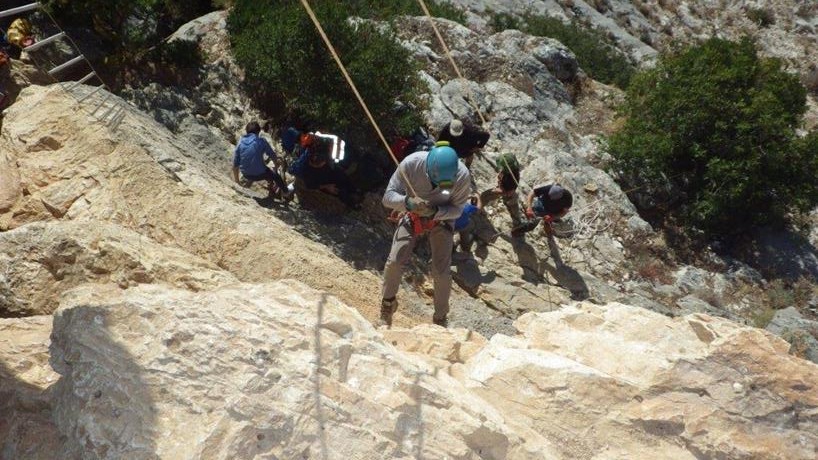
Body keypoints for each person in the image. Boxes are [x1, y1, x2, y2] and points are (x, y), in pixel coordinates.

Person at [380, 141, 471, 328]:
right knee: (395, 260)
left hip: (442, 218)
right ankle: (388, 303)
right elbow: (388, 198)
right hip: (412, 213)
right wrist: (407, 203)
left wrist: (435, 211)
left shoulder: (461, 176)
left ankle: (440, 317)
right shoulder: (411, 164)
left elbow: (457, 210)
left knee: (441, 271)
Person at [232, 121, 292, 200]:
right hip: (260, 174)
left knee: (263, 171)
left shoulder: (240, 142)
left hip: (246, 174)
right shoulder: (261, 141)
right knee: (275, 175)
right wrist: (276, 167)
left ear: (247, 131)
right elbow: (273, 156)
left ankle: (270, 189)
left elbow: (235, 164)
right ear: (258, 132)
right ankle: (286, 193)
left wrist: (237, 181)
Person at [300, 139, 358, 209]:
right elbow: (310, 185)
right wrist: (326, 186)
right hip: (325, 184)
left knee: (340, 174)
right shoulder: (307, 171)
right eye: (323, 163)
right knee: (340, 191)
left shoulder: (319, 154)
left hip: (331, 175)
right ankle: (352, 204)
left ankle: (354, 190)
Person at [480, 152, 523, 227]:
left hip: (506, 191)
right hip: (507, 189)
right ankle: (517, 219)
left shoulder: (510, 179)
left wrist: (497, 191)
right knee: (512, 205)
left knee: (484, 196)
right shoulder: (514, 169)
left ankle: (478, 208)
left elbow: (507, 191)